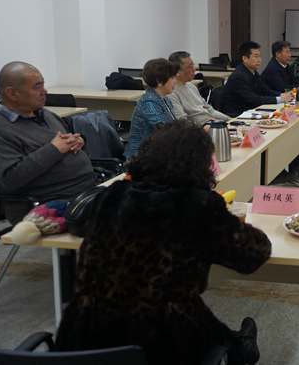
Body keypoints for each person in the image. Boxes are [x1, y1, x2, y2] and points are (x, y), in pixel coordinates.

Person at [55, 121, 271, 365]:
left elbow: (82, 225)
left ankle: (236, 344)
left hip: (84, 336)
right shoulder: (198, 205)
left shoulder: (113, 195)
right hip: (162, 344)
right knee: (184, 311)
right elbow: (254, 254)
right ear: (201, 164)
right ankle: (238, 347)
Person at [0, 62, 95, 222]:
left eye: (43, 85)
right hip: (47, 203)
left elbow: (65, 143)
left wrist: (78, 141)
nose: (44, 91)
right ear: (12, 93)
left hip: (85, 190)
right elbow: (11, 179)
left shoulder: (45, 114)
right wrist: (54, 149)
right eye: (37, 87)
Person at [220, 42, 299, 176]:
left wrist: (281, 96)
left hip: (254, 111)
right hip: (239, 116)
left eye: (260, 56)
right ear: (245, 58)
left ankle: (294, 165)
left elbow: (264, 90)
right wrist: (278, 99)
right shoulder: (239, 75)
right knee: (278, 132)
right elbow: (253, 99)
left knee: (285, 129)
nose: (259, 60)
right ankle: (277, 171)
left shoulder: (253, 72)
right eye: (255, 56)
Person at [123, 58, 178, 160]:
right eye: (172, 77)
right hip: (141, 157)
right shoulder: (149, 103)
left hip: (158, 151)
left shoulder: (164, 99)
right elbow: (165, 130)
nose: (175, 81)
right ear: (159, 81)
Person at [167, 51, 230, 125]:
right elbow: (182, 121)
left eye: (193, 65)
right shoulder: (171, 93)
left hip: (211, 123)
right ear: (177, 71)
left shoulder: (191, 86)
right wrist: (206, 126)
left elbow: (211, 111)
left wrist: (230, 120)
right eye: (189, 67)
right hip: (199, 128)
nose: (194, 69)